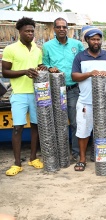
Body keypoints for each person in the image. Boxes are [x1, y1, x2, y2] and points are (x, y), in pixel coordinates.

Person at [71, 26, 106, 171]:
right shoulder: (80, 57)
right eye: (93, 39)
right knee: (83, 130)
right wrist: (90, 74)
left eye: (98, 39)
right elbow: (74, 76)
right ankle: (82, 159)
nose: (96, 42)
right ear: (87, 40)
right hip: (86, 102)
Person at [2, 17, 46, 176]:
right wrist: (25, 71)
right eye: (27, 31)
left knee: (36, 126)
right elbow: (5, 72)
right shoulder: (10, 49)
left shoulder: (37, 49)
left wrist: (42, 68)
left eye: (32, 31)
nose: (30, 33)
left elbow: (39, 66)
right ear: (19, 32)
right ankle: (17, 163)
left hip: (36, 93)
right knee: (17, 128)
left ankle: (33, 158)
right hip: (19, 94)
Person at [42, 17, 84, 161]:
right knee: (59, 123)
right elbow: (44, 64)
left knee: (75, 122)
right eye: (58, 27)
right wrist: (49, 68)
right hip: (56, 90)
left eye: (64, 27)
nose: (61, 29)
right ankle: (61, 153)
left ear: (68, 29)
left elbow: (83, 61)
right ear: (54, 29)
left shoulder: (77, 44)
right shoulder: (47, 46)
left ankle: (76, 152)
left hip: (73, 89)